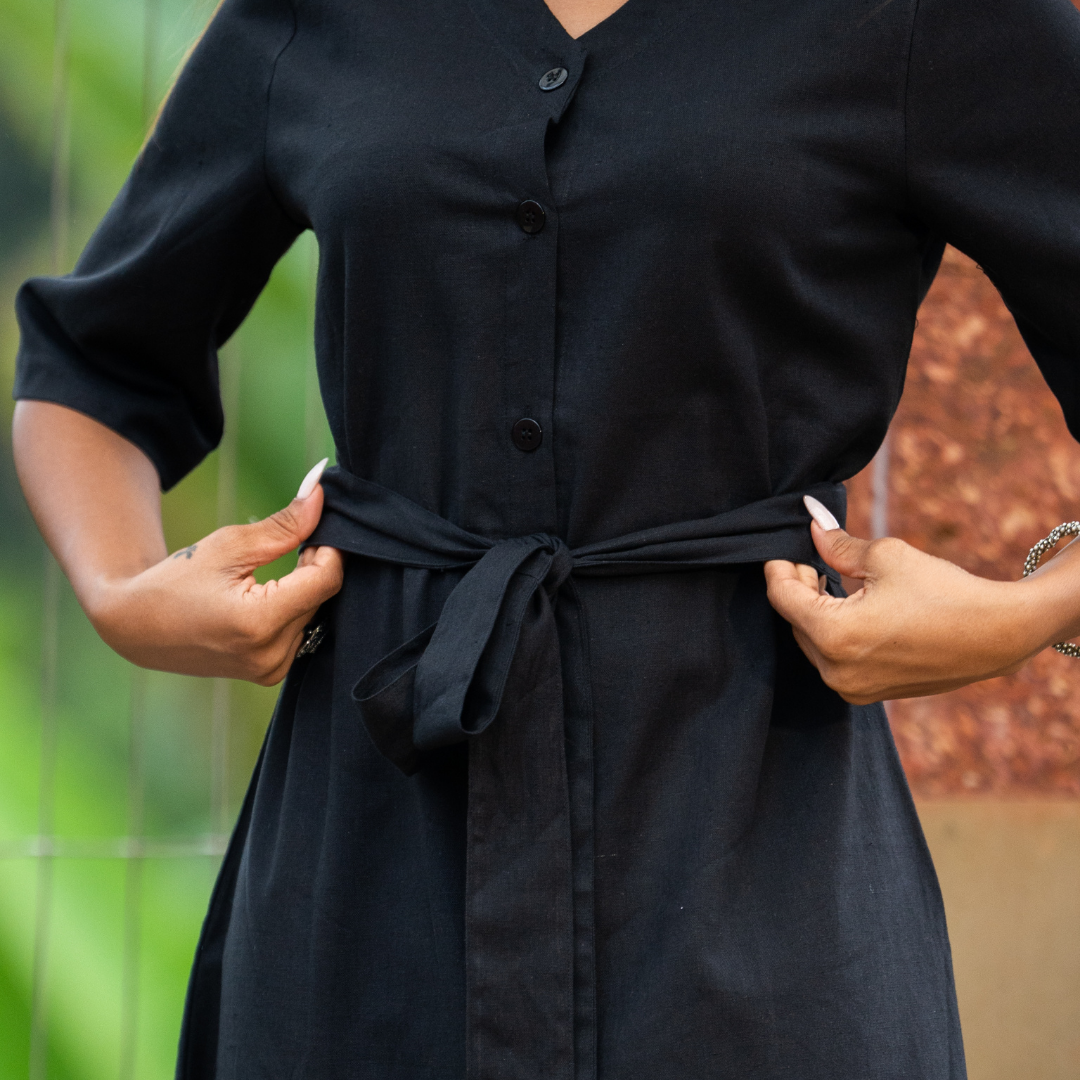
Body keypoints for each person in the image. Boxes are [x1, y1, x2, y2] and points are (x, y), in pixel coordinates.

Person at [11, 0, 1080, 1075]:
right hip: (367, 873)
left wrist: (1028, 614)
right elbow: (93, 367)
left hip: (760, 870)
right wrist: (118, 589)